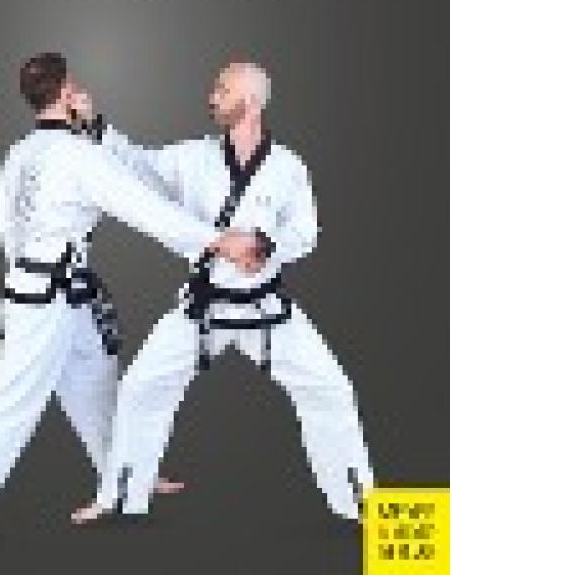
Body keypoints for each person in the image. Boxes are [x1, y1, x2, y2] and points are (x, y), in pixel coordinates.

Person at [0, 52, 262, 550]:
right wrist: (219, 241)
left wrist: (35, 273)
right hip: (46, 300)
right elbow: (146, 209)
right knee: (12, 401)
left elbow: (9, 229)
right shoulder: (78, 156)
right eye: (74, 86)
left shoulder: (19, 153)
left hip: (47, 288)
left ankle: (126, 475)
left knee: (97, 382)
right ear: (66, 92)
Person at [72, 59, 374, 525]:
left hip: (265, 306)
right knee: (141, 387)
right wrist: (96, 125)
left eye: (222, 89)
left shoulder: (287, 166)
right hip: (204, 304)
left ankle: (360, 504)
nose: (212, 97)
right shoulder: (193, 157)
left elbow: (307, 232)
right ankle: (120, 497)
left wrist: (267, 247)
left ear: (250, 101)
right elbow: (139, 164)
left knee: (331, 390)